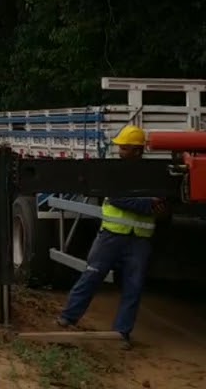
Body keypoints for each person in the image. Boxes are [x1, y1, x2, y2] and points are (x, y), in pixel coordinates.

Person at [56, 124, 165, 350]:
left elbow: (163, 204)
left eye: (124, 148)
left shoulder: (151, 173)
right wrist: (147, 204)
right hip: (112, 236)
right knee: (92, 276)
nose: (120, 152)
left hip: (139, 240)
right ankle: (68, 318)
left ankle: (121, 333)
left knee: (133, 288)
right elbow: (117, 199)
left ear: (137, 151)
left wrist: (154, 205)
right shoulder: (114, 170)